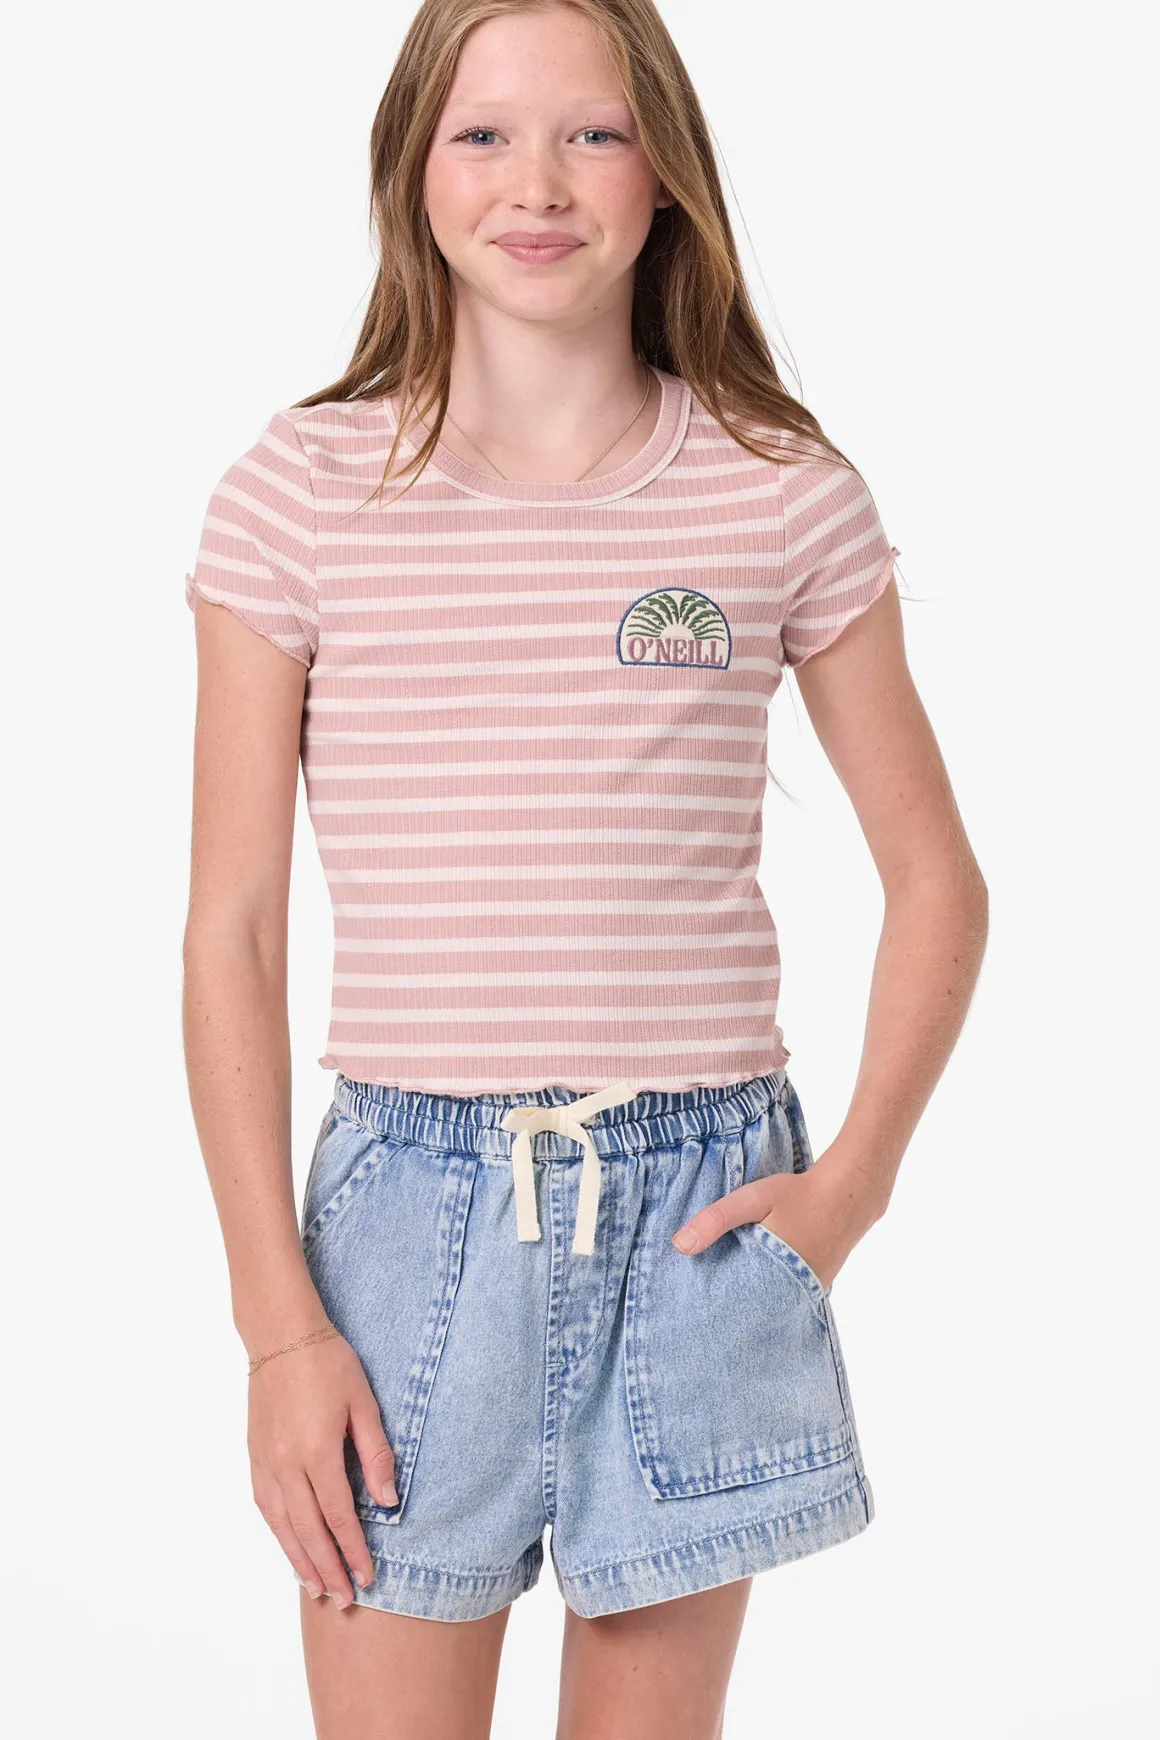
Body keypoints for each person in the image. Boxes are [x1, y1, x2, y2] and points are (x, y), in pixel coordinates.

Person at [181, 2, 988, 1735]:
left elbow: (937, 878)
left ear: (665, 171)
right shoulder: (301, 491)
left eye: (594, 133)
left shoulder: (778, 493)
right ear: (412, 169)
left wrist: (851, 1188)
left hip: (702, 1219)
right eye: (482, 134)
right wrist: (277, 1326)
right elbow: (231, 927)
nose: (537, 183)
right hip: (409, 1229)